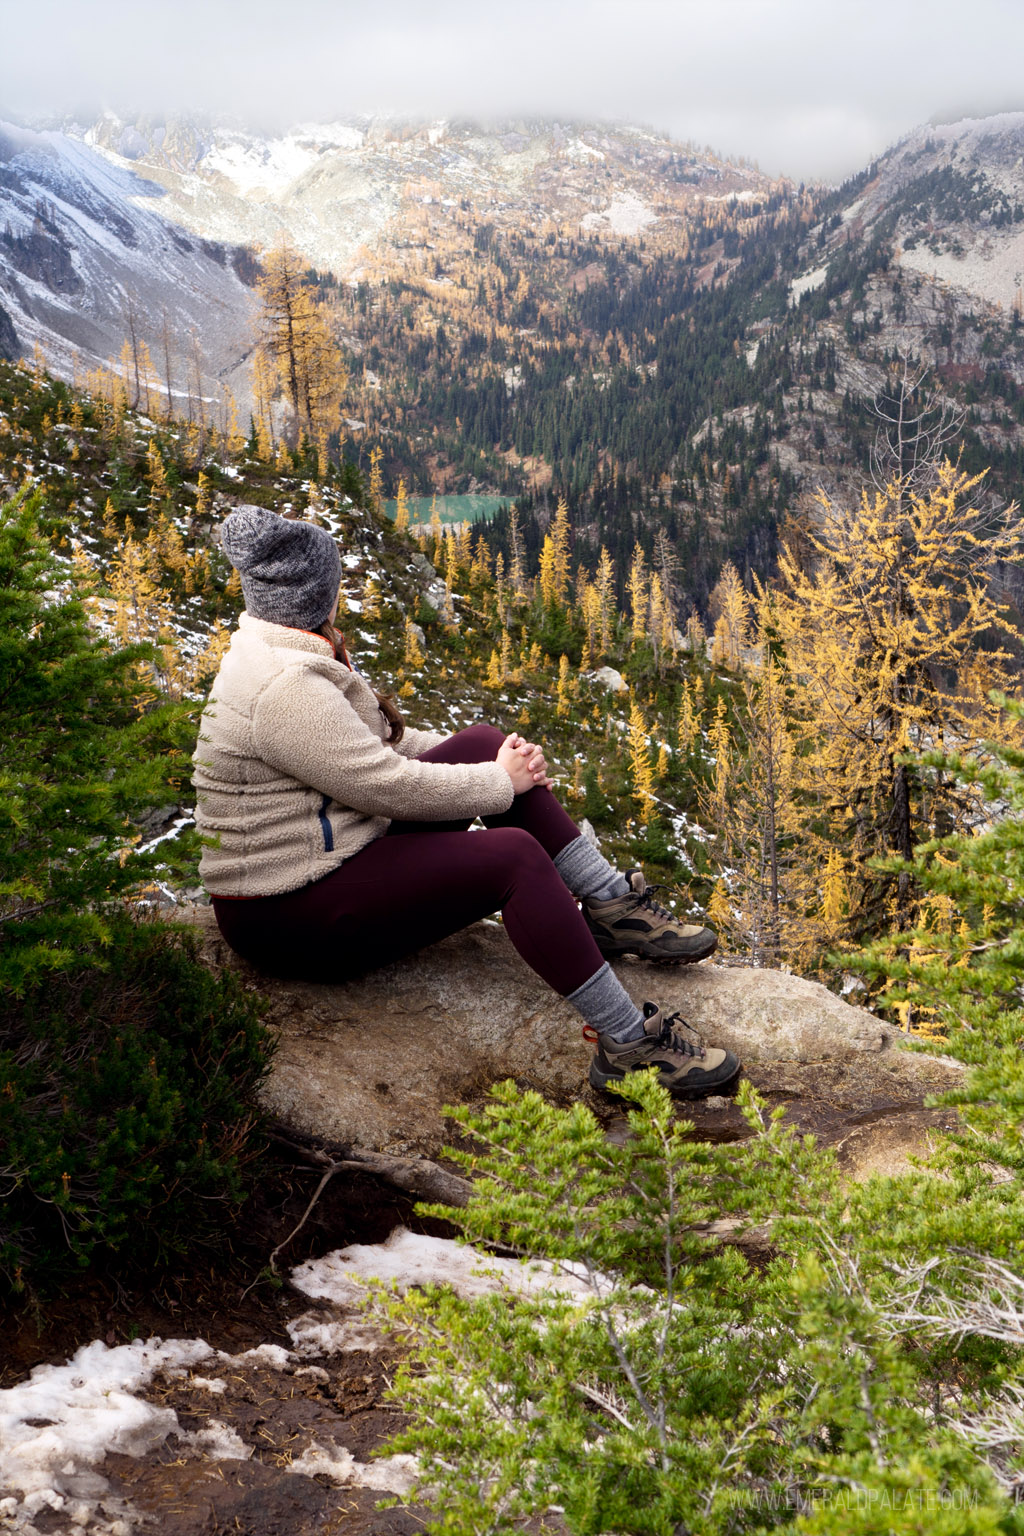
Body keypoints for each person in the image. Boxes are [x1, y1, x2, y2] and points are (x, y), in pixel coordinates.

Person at [192, 505, 740, 1099]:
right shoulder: (285, 687)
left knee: (480, 741)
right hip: (284, 912)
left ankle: (609, 906)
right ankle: (628, 1045)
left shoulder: (285, 646)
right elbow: (384, 784)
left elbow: (377, 747)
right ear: (319, 593)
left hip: (326, 858)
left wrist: (497, 761)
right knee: (514, 859)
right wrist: (501, 783)